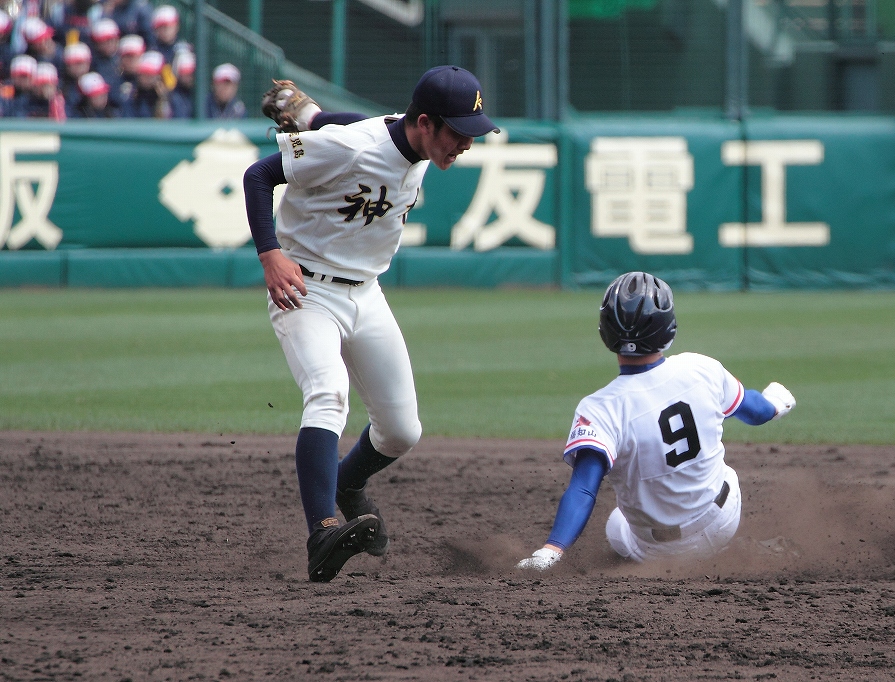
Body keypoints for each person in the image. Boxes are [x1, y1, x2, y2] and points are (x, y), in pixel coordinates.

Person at [242, 66, 499, 582]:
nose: (466, 143)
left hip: (367, 292)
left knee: (402, 430)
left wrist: (308, 115)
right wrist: (270, 254)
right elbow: (259, 175)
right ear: (425, 122)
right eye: (457, 132)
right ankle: (322, 531)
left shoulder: (411, 142)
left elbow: (352, 125)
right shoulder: (352, 148)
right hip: (305, 289)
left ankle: (343, 483)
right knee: (328, 394)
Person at [516, 272, 797, 571]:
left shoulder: (600, 408)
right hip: (724, 518)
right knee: (721, 470)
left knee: (616, 524)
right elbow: (755, 412)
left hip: (657, 549)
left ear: (606, 331)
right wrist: (777, 403)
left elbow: (584, 490)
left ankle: (679, 564)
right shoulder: (701, 368)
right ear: (668, 327)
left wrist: (551, 550)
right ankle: (734, 553)